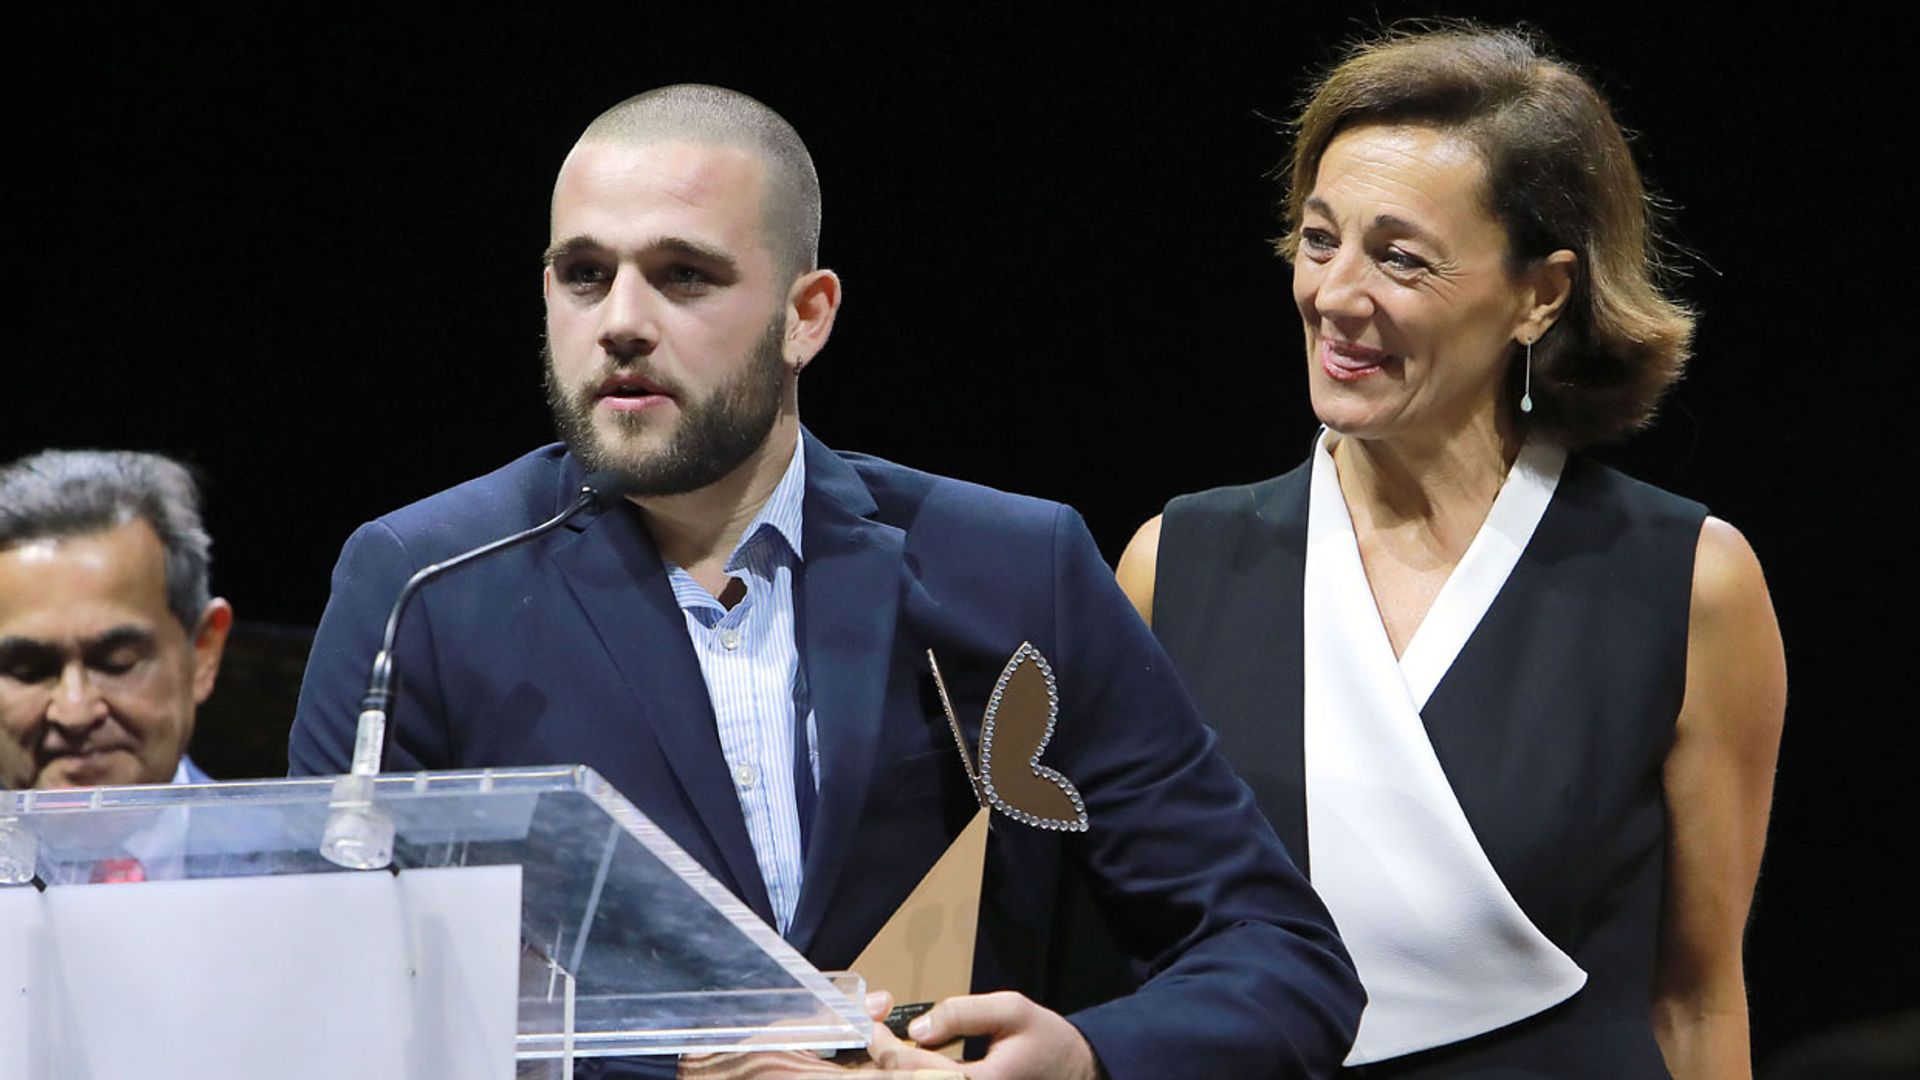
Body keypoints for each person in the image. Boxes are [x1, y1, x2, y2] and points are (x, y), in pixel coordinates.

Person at [289, 85, 1363, 1078]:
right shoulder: (422, 586)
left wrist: (1080, 1056)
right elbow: (329, 1008)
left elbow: (1279, 960)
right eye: (584, 273)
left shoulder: (1008, 565)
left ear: (808, 314)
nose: (620, 318)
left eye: (684, 275)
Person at [1117, 25, 1785, 1079]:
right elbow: (1133, 958)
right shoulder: (1173, 565)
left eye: (1401, 258)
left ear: (1541, 295)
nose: (1335, 295)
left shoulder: (1689, 583)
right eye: (1320, 238)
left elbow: (1698, 1002)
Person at [1, 449, 232, 791]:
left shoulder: (294, 847)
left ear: (202, 653)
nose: (74, 712)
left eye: (117, 664)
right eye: (28, 670)